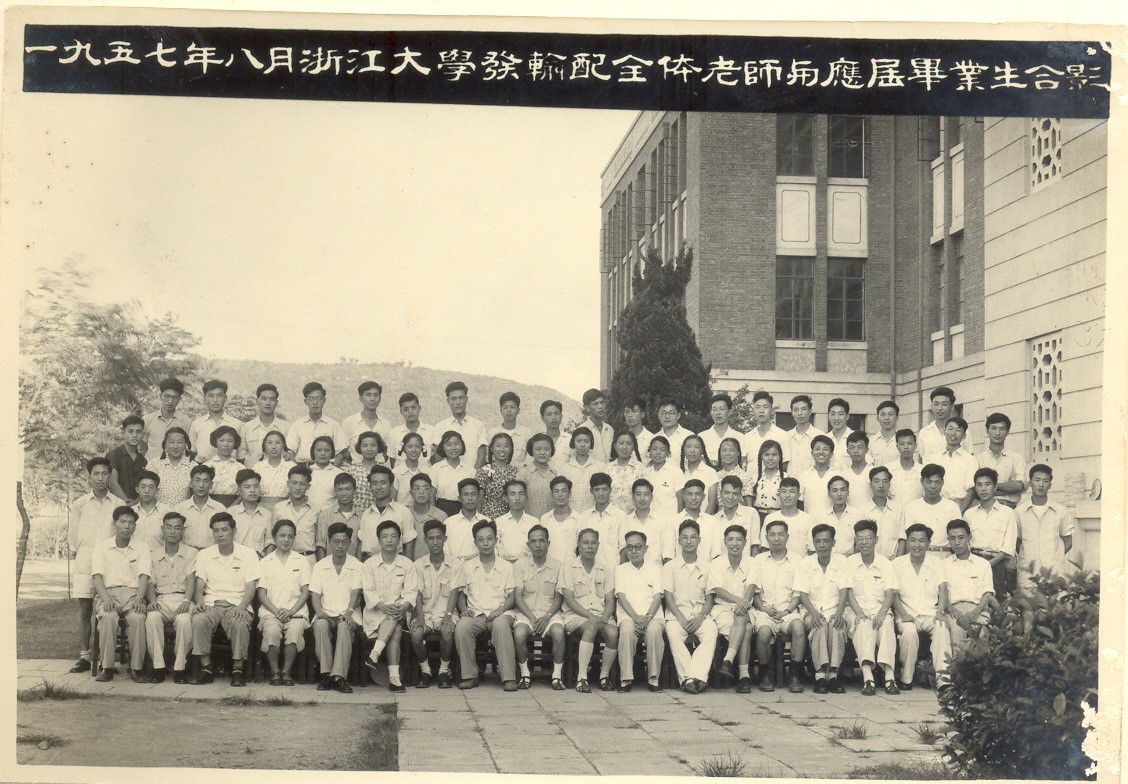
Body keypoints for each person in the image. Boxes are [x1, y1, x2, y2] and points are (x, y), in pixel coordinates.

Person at [190, 512, 259, 687]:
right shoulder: (205, 554)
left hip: (237, 603)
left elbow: (251, 588)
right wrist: (200, 602)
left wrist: (242, 607)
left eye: (224, 530)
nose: (220, 534)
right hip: (211, 603)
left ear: (234, 531)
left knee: (240, 624)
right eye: (216, 530)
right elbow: (199, 585)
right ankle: (206, 668)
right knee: (198, 619)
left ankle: (238, 670)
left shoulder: (248, 554)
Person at [451, 520, 518, 690]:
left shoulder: (506, 566)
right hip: (476, 614)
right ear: (475, 543)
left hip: (500, 613)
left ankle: (508, 678)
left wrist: (500, 610)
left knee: (501, 627)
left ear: (496, 540)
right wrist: (464, 610)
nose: (485, 543)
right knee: (462, 627)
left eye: (489, 539)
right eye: (481, 540)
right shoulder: (467, 566)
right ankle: (470, 676)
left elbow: (512, 596)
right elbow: (461, 594)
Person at [90, 506, 151, 682]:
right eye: (122, 522)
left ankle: (136, 668)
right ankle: (107, 667)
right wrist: (106, 598)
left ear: (135, 527)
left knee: (138, 618)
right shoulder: (102, 547)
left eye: (131, 523)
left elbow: (144, 576)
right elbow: (97, 577)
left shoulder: (142, 547)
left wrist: (139, 598)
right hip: (108, 593)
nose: (127, 526)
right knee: (108, 617)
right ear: (114, 524)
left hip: (133, 593)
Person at [359, 520, 418, 693]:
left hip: (399, 612)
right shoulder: (369, 564)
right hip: (375, 613)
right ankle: (394, 678)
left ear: (399, 539)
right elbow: (368, 591)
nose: (389, 540)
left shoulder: (407, 564)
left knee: (395, 619)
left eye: (393, 536)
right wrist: (384, 607)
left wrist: (403, 606)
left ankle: (375, 654)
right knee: (396, 630)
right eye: (385, 536)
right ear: (379, 540)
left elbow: (411, 592)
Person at [749, 519, 806, 694]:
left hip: (789, 611)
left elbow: (799, 593)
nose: (776, 539)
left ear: (787, 537)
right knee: (763, 633)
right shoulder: (758, 560)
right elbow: (754, 593)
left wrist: (787, 611)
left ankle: (795, 675)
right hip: (765, 612)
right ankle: (765, 674)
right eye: (772, 535)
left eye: (781, 534)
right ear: (766, 538)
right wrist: (763, 609)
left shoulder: (798, 560)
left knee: (799, 628)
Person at [892, 523, 951, 691]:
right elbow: (893, 593)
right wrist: (903, 613)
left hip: (930, 613)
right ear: (907, 542)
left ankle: (944, 680)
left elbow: (943, 589)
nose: (917, 545)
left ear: (929, 543)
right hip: (907, 614)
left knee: (942, 629)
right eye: (913, 540)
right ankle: (906, 679)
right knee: (909, 632)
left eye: (921, 541)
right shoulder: (897, 563)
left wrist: (940, 612)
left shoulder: (936, 563)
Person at [936, 519, 994, 689]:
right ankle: (960, 678)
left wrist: (976, 611)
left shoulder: (982, 564)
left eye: (961, 537)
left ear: (969, 537)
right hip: (953, 610)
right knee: (956, 629)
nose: (957, 542)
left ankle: (981, 679)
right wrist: (952, 610)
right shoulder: (943, 564)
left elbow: (988, 593)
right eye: (952, 538)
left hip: (978, 610)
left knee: (982, 631)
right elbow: (942, 593)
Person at [844, 520, 899, 696]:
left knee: (887, 625)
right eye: (860, 539)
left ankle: (889, 677)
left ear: (876, 539)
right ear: (855, 541)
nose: (864, 542)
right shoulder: (849, 563)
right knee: (863, 626)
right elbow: (848, 591)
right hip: (855, 610)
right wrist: (859, 613)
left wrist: (882, 613)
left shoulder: (886, 564)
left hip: (880, 609)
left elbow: (890, 592)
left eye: (868, 538)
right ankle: (868, 678)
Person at [508, 525, 567, 689]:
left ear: (548, 543)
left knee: (558, 632)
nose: (538, 545)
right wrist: (532, 618)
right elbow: (518, 596)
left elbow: (559, 597)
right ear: (528, 545)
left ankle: (556, 676)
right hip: (527, 614)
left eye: (541, 541)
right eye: (533, 541)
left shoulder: (558, 566)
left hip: (550, 614)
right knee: (519, 634)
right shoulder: (520, 566)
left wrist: (546, 617)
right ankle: (525, 674)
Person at [560, 528, 619, 693]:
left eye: (593, 543)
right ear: (579, 545)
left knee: (613, 633)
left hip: (600, 615)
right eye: (586, 543)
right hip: (575, 616)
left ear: (598, 545)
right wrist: (589, 616)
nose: (590, 546)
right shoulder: (569, 568)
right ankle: (582, 678)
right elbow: (569, 599)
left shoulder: (605, 569)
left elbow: (610, 599)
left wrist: (605, 617)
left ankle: (604, 676)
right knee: (591, 627)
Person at [794, 524, 850, 694]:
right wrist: (814, 614)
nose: (822, 545)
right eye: (818, 541)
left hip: (835, 610)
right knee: (819, 625)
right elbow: (803, 595)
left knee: (835, 626)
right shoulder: (805, 564)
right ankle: (820, 676)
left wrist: (839, 613)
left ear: (833, 543)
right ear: (813, 543)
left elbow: (844, 591)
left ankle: (832, 675)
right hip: (811, 612)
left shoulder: (842, 562)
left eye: (826, 541)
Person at [662, 521, 716, 694]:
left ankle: (694, 677)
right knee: (673, 634)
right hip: (677, 615)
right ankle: (690, 679)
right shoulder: (670, 567)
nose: (689, 541)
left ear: (699, 540)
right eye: (685, 537)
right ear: (679, 541)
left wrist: (701, 617)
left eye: (693, 537)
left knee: (711, 631)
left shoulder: (708, 566)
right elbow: (669, 597)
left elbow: (710, 598)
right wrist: (681, 619)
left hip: (700, 615)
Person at [257, 519, 312, 686]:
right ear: (274, 537)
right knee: (272, 631)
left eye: (290, 536)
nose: (286, 540)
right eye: (282, 535)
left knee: (294, 631)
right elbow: (261, 594)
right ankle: (275, 672)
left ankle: (286, 672)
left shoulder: (301, 561)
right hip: (271, 612)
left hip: (296, 612)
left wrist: (291, 611)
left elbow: (305, 591)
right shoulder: (265, 562)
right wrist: (276, 612)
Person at [310, 522, 363, 693]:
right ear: (329, 541)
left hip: (348, 613)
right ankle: (326, 675)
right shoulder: (320, 566)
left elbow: (356, 592)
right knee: (320, 625)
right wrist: (319, 611)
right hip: (326, 613)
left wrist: (348, 612)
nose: (340, 546)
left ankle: (339, 677)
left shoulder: (357, 565)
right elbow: (315, 595)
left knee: (344, 626)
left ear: (350, 543)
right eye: (336, 541)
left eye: (344, 542)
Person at [144, 511, 197, 684]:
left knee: (184, 620)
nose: (173, 531)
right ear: (162, 529)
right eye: (169, 527)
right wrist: (152, 601)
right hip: (161, 599)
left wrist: (186, 601)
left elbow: (191, 579)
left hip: (183, 598)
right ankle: (158, 667)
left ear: (183, 530)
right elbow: (150, 582)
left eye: (177, 528)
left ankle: (180, 668)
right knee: (152, 618)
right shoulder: (153, 554)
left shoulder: (191, 553)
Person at [614, 530, 666, 692]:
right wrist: (636, 618)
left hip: (652, 616)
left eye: (638, 547)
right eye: (630, 548)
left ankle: (653, 679)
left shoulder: (655, 569)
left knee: (654, 632)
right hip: (629, 616)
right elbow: (621, 597)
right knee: (627, 631)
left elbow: (657, 597)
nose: (634, 551)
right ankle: (626, 679)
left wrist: (648, 617)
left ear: (645, 548)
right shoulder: (620, 570)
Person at [409, 520, 458, 688]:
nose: (435, 542)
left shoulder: (455, 564)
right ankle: (426, 671)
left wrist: (448, 616)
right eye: (431, 538)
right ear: (425, 540)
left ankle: (444, 671)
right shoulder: (418, 565)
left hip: (447, 612)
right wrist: (420, 619)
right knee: (416, 635)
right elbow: (417, 594)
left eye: (439, 537)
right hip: (425, 613)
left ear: (445, 539)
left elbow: (454, 593)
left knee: (447, 631)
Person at [707, 524, 755, 692]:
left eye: (739, 540)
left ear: (745, 542)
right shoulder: (716, 563)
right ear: (725, 542)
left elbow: (751, 587)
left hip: (746, 608)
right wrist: (739, 601)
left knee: (742, 620)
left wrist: (743, 603)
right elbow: (718, 590)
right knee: (746, 629)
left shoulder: (752, 562)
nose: (735, 544)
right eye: (731, 540)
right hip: (722, 610)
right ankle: (744, 676)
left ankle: (728, 660)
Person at [1016, 464, 1075, 595]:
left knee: (1056, 605)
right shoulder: (1019, 512)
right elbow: (1017, 542)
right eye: (1037, 480)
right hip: (1028, 575)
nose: (1041, 485)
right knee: (1029, 606)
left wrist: (1055, 555)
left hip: (1055, 574)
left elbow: (1068, 541)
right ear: (1030, 483)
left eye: (1045, 481)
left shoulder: (1060, 511)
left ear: (1050, 485)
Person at [964, 467, 1019, 598]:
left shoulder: (1007, 513)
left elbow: (1008, 547)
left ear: (995, 487)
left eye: (987, 484)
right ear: (975, 488)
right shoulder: (969, 514)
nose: (983, 489)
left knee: (998, 602)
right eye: (979, 485)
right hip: (974, 562)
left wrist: (988, 564)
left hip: (998, 563)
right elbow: (966, 543)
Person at [356, 465, 417, 561]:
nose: (378, 487)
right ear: (370, 487)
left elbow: (409, 545)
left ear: (391, 484)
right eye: (374, 483)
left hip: (394, 563)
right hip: (368, 564)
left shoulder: (403, 512)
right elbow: (361, 545)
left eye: (383, 483)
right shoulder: (366, 514)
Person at [896, 465, 963, 552]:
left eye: (937, 482)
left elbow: (959, 536)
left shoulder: (952, 507)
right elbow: (905, 538)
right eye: (929, 482)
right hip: (919, 554)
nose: (933, 486)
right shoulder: (911, 507)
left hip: (945, 555)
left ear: (942, 482)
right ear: (922, 482)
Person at [288, 382, 348, 466]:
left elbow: (340, 453)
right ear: (305, 402)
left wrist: (333, 471)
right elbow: (290, 451)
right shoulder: (297, 425)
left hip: (328, 467)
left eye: (319, 398)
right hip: (303, 467)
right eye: (311, 399)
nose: (315, 402)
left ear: (324, 401)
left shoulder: (334, 425)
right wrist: (296, 470)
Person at [579, 473, 628, 574]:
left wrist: (620, 573)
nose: (601, 493)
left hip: (612, 572)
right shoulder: (584, 517)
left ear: (610, 490)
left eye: (604, 489)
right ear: (591, 491)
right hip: (588, 573)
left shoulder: (620, 516)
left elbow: (624, 549)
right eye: (597, 490)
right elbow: (578, 547)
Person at [269, 464, 319, 561]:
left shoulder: (316, 510)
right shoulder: (279, 508)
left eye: (302, 484)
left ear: (308, 486)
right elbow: (271, 538)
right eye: (294, 483)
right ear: (288, 483)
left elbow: (320, 541)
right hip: (283, 558)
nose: (298, 487)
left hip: (308, 558)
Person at [432, 381, 487, 469]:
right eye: (453, 399)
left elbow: (482, 457)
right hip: (447, 476)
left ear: (466, 399)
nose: (458, 402)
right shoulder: (440, 427)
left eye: (461, 398)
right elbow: (438, 457)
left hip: (473, 476)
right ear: (448, 401)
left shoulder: (478, 425)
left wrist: (472, 475)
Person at [977, 413, 1027, 508]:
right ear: (987, 431)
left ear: (1008, 432)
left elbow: (1019, 486)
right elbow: (975, 490)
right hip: (985, 509)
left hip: (1009, 508)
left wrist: (989, 486)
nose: (997, 433)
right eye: (994, 428)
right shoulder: (978, 459)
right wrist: (1008, 486)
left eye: (1002, 429)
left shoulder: (1016, 458)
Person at [188, 380, 244, 463]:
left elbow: (240, 456)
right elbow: (192, 451)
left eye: (219, 395)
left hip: (229, 467)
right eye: (211, 396)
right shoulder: (196, 424)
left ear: (225, 398)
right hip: (202, 467)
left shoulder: (237, 424)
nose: (215, 400)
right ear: (205, 398)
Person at [618, 479, 667, 569]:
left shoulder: (662, 521)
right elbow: (623, 554)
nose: (642, 498)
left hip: (656, 573)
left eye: (646, 494)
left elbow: (667, 555)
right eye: (638, 494)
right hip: (632, 573)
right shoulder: (625, 521)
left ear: (652, 497)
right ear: (633, 497)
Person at [175, 464, 226, 550]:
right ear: (191, 484)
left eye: (206, 481)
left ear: (211, 485)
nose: (201, 485)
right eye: (197, 480)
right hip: (187, 554)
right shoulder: (180, 509)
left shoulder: (220, 509)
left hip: (212, 553)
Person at [342, 381, 393, 464]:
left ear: (380, 398)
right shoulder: (349, 422)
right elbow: (344, 450)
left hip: (379, 469)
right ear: (361, 398)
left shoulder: (386, 424)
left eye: (376, 395)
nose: (372, 399)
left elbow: (387, 451)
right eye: (368, 395)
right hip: (356, 468)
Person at [671, 479, 721, 563]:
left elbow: (716, 555)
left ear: (703, 497)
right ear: (683, 496)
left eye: (697, 494)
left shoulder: (712, 522)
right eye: (689, 494)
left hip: (707, 570)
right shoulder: (673, 521)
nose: (693, 498)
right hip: (679, 570)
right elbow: (668, 555)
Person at [443, 478, 493, 562]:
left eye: (473, 494)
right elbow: (445, 550)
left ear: (479, 497)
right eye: (465, 494)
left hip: (479, 566)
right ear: (459, 498)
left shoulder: (487, 521)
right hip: (455, 566)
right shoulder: (449, 523)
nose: (470, 498)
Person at [315, 473, 364, 558]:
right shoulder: (325, 515)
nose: (344, 493)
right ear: (335, 491)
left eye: (347, 489)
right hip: (330, 564)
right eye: (339, 489)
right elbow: (321, 545)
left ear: (354, 490)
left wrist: (358, 565)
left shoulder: (362, 517)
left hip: (354, 564)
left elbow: (361, 545)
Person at [763, 477, 813, 560]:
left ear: (799, 495)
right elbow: (765, 547)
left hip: (801, 565)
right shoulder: (770, 518)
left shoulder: (808, 519)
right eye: (784, 491)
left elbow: (812, 550)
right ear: (779, 494)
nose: (787, 495)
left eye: (792, 491)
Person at [239, 383, 288, 464]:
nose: (268, 403)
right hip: (253, 470)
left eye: (272, 399)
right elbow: (241, 456)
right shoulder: (247, 427)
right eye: (264, 399)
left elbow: (289, 455)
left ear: (276, 403)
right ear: (257, 401)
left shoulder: (286, 427)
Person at [431, 430, 476, 517]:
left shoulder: (470, 470)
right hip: (441, 509)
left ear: (462, 446)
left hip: (464, 510)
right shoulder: (436, 469)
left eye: (456, 443)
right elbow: (431, 495)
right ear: (443, 447)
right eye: (449, 444)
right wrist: (434, 515)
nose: (453, 448)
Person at [561, 427, 605, 514]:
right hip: (571, 514)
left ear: (591, 443)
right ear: (573, 442)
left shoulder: (600, 467)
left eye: (586, 441)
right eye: (579, 441)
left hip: (593, 514)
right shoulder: (565, 469)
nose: (582, 445)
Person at [862, 466, 903, 559]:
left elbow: (902, 539)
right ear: (871, 485)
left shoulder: (898, 509)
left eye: (885, 481)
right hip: (871, 561)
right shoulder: (863, 511)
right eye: (877, 481)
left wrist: (898, 561)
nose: (881, 485)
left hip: (893, 561)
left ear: (889, 485)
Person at [714, 475, 760, 559]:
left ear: (740, 495)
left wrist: (753, 565)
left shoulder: (751, 513)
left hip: (747, 565)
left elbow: (755, 545)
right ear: (720, 493)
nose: (730, 497)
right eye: (727, 493)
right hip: (721, 565)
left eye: (735, 493)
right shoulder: (714, 519)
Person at [476, 432, 519, 520]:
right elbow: (479, 498)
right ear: (492, 448)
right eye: (498, 446)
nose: (502, 449)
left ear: (511, 449)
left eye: (506, 446)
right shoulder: (484, 471)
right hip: (489, 516)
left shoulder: (515, 472)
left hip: (510, 516)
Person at [743, 391, 791, 470]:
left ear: (771, 411)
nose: (761, 411)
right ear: (753, 411)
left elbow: (785, 465)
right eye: (757, 407)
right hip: (751, 478)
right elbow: (744, 463)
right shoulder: (747, 437)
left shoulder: (782, 435)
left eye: (765, 407)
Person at [936, 417, 978, 506]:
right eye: (950, 429)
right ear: (944, 432)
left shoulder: (970, 460)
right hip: (939, 505)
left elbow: (972, 490)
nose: (953, 433)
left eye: (958, 430)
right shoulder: (936, 458)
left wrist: (960, 511)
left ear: (964, 435)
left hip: (961, 504)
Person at [485, 392, 533, 469]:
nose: (509, 410)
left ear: (518, 410)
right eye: (505, 408)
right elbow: (487, 458)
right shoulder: (492, 433)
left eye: (512, 407)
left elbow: (530, 461)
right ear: (501, 411)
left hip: (520, 474)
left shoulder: (527, 433)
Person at [142, 378, 189, 457]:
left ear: (179, 399)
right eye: (167, 396)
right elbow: (142, 448)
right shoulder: (147, 420)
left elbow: (188, 449)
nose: (170, 401)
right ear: (160, 396)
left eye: (174, 397)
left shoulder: (187, 422)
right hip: (151, 464)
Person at [541, 476, 582, 565]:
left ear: (570, 493)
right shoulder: (545, 519)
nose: (560, 495)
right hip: (549, 568)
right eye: (556, 491)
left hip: (571, 568)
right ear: (552, 494)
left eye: (564, 491)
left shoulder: (579, 518)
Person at [516, 433, 559, 519]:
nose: (542, 453)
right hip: (529, 521)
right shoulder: (523, 474)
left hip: (551, 521)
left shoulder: (555, 474)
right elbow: (518, 500)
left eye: (547, 449)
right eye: (538, 449)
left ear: (552, 451)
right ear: (531, 450)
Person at [229, 469, 270, 556]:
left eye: (256, 486)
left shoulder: (267, 515)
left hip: (259, 560)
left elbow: (270, 542)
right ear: (239, 491)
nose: (252, 490)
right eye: (247, 487)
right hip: (236, 559)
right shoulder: (231, 513)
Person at [107, 415, 147, 503]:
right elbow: (113, 483)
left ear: (143, 435)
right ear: (123, 433)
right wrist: (127, 502)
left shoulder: (142, 460)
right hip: (116, 505)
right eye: (130, 431)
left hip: (137, 506)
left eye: (138, 432)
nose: (134, 435)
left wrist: (137, 503)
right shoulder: (114, 455)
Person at [796, 435, 836, 521]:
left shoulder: (837, 475)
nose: (821, 452)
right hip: (809, 523)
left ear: (831, 454)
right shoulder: (804, 476)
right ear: (812, 453)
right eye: (817, 449)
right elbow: (799, 503)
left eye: (825, 449)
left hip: (832, 523)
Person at [642, 435, 682, 521]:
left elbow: (681, 501)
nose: (658, 453)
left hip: (670, 520)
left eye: (662, 450)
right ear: (649, 451)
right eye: (654, 449)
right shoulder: (645, 472)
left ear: (668, 453)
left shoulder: (676, 472)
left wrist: (679, 521)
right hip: (649, 521)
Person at [252, 430, 296, 507]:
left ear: (283, 445)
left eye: (278, 443)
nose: (273, 446)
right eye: (270, 443)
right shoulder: (257, 467)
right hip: (262, 507)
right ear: (264, 446)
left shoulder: (291, 467)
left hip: (286, 507)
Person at [818, 477, 860, 556]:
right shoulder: (822, 517)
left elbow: (859, 544)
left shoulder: (857, 515)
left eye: (843, 490)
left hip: (850, 559)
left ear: (848, 492)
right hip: (829, 559)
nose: (839, 494)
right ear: (829, 494)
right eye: (835, 490)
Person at [495, 480, 535, 562]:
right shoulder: (498, 522)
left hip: (527, 565)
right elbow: (495, 549)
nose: (517, 498)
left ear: (525, 497)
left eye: (521, 494)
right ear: (506, 498)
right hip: (505, 565)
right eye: (513, 494)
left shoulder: (534, 522)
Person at [388, 392, 434, 463]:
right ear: (401, 411)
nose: (410, 411)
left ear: (419, 408)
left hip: (426, 469)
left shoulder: (431, 431)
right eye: (406, 409)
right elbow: (393, 460)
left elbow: (434, 459)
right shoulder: (394, 433)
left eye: (413, 408)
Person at [783, 394, 824, 475]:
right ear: (792, 412)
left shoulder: (819, 436)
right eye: (796, 410)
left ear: (810, 411)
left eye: (803, 409)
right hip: (791, 481)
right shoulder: (786, 436)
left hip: (813, 481)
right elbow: (784, 465)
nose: (800, 413)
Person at [153, 427, 193, 508]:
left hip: (184, 511)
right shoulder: (154, 464)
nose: (175, 446)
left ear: (185, 444)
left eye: (180, 442)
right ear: (165, 444)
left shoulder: (192, 466)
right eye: (171, 442)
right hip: (159, 511)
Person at [350, 431, 391, 510]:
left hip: (379, 512)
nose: (369, 449)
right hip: (357, 512)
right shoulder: (352, 470)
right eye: (365, 446)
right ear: (359, 448)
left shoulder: (385, 469)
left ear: (378, 447)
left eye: (373, 445)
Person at [405, 473, 448, 547]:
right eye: (417, 488)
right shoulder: (404, 514)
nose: (421, 492)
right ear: (411, 493)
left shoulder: (441, 516)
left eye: (425, 488)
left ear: (431, 492)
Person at [606, 431, 644, 514]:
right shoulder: (607, 469)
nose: (625, 447)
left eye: (629, 444)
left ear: (634, 447)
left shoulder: (640, 469)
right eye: (621, 443)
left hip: (633, 517)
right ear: (615, 446)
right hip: (611, 516)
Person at [131, 470, 170, 550]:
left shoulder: (166, 511)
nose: (147, 491)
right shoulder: (131, 512)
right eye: (143, 487)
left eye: (151, 487)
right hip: (135, 555)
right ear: (137, 489)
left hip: (159, 556)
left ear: (157, 490)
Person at [917, 386, 957, 464]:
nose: (940, 408)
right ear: (931, 407)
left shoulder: (961, 431)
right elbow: (921, 459)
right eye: (936, 404)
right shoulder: (924, 433)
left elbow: (968, 457)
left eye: (944, 404)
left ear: (952, 407)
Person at [679, 434, 718, 513]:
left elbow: (712, 503)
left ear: (702, 450)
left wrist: (704, 519)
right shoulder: (679, 472)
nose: (692, 450)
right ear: (683, 449)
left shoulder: (710, 472)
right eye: (688, 446)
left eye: (696, 447)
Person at [749, 439, 786, 523]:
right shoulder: (754, 478)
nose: (770, 458)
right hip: (759, 518)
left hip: (779, 518)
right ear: (761, 457)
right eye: (766, 454)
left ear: (780, 456)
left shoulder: (786, 478)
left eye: (774, 454)